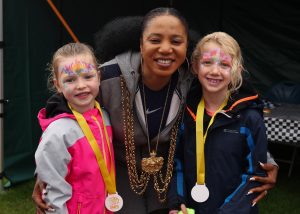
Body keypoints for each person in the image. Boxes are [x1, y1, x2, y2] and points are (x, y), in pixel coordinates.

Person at [32, 8, 278, 214]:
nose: (166, 49)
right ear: (140, 43)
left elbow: (235, 101)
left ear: (186, 50)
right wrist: (45, 176)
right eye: (155, 39)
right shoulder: (106, 77)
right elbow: (66, 107)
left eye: (176, 41)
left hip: (169, 186)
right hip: (120, 185)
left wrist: (266, 160)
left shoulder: (194, 79)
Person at [168, 32, 274, 214]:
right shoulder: (185, 113)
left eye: (224, 65)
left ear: (237, 71)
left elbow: (255, 175)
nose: (215, 71)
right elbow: (176, 162)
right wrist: (177, 201)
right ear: (194, 66)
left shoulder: (249, 118)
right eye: (207, 62)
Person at [34, 42, 121, 213]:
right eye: (70, 80)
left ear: (99, 76)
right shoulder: (58, 133)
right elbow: (53, 194)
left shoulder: (104, 116)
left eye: (88, 77)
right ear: (58, 84)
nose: (81, 85)